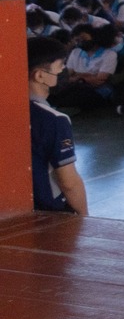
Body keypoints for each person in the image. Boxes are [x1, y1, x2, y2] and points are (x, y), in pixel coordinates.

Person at [27, 36, 86, 215]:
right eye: (60, 66)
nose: (64, 71)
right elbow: (68, 182)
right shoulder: (54, 120)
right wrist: (85, 216)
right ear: (40, 75)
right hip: (48, 212)